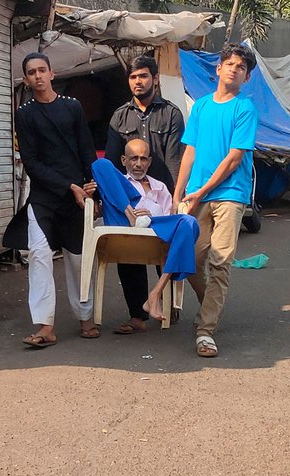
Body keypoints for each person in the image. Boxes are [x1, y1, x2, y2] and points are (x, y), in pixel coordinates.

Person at [2, 52, 99, 348]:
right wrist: (69, 185)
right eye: (31, 72)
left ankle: (86, 318)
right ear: (26, 79)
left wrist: (92, 187)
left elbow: (86, 149)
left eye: (42, 70)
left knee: (79, 260)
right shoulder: (26, 113)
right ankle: (46, 327)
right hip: (43, 197)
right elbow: (31, 162)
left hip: (78, 197)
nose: (38, 76)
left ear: (52, 74)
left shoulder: (72, 108)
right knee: (40, 257)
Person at [172, 43, 258, 358]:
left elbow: (234, 159)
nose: (234, 70)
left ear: (246, 77)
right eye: (230, 64)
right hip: (195, 195)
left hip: (230, 195)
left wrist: (201, 190)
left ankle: (205, 330)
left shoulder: (245, 109)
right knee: (190, 261)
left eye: (241, 68)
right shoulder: (202, 107)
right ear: (218, 68)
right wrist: (178, 193)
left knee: (220, 262)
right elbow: (190, 151)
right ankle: (212, 306)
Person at [105, 55, 186, 334]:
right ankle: (137, 315)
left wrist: (177, 199)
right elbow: (115, 163)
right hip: (131, 197)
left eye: (142, 76)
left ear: (155, 79)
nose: (138, 82)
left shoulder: (171, 114)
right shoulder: (119, 116)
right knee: (129, 254)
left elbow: (175, 158)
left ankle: (166, 301)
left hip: (160, 195)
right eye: (133, 77)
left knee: (163, 249)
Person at [90, 156, 199, 323]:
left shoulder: (159, 186)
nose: (138, 164)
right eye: (133, 158)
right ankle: (130, 214)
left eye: (143, 159)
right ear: (124, 160)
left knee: (189, 223)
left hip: (153, 226)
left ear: (149, 162)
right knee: (101, 163)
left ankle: (156, 293)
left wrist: (150, 214)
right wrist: (129, 211)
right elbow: (99, 169)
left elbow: (167, 215)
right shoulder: (118, 180)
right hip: (122, 222)